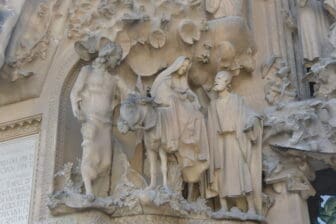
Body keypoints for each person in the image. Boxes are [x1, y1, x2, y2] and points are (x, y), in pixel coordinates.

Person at [70, 42, 129, 200]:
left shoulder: (114, 79)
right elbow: (75, 91)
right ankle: (88, 191)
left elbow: (129, 96)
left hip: (106, 123)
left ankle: (99, 193)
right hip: (91, 118)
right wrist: (76, 107)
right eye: (116, 58)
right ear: (108, 56)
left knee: (105, 162)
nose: (117, 62)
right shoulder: (87, 71)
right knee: (89, 153)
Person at [150, 56, 209, 196]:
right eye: (182, 66)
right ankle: (183, 135)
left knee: (198, 116)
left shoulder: (182, 81)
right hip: (170, 111)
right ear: (177, 65)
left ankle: (193, 142)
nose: (184, 69)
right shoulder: (166, 79)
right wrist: (180, 97)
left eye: (186, 68)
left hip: (180, 109)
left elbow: (189, 94)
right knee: (182, 107)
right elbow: (163, 95)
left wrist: (191, 98)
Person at [206, 71, 262, 213]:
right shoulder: (213, 105)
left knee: (241, 171)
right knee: (220, 173)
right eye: (216, 78)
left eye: (220, 78)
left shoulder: (237, 100)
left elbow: (252, 115)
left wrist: (251, 122)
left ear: (227, 83)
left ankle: (251, 208)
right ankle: (223, 207)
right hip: (219, 142)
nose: (216, 81)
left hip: (235, 140)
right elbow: (209, 125)